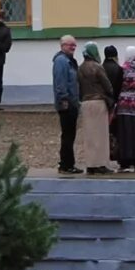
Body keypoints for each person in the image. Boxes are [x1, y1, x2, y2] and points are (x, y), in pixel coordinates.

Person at [76, 42, 114, 171]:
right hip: (98, 102)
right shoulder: (97, 67)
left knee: (89, 135)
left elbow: (79, 87)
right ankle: (101, 164)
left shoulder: (80, 68)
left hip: (85, 102)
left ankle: (91, 164)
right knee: (101, 135)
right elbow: (107, 86)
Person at [50, 35, 83, 174]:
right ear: (63, 45)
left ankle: (67, 163)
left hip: (72, 102)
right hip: (67, 103)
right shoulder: (62, 61)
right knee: (68, 135)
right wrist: (64, 101)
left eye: (74, 45)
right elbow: (60, 83)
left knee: (70, 135)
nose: (73, 47)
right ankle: (66, 164)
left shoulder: (68, 61)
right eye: (70, 45)